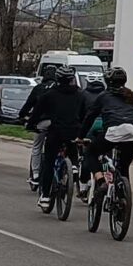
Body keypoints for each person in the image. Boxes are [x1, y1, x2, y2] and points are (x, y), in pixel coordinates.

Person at [21, 62, 85, 199]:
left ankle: (45, 196)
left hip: (55, 131)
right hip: (73, 131)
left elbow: (36, 112)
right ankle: (74, 166)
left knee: (49, 161)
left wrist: (30, 125)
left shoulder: (49, 95)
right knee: (72, 145)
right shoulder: (80, 94)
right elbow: (85, 114)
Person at [84, 66, 133, 199]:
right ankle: (123, 200)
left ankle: (101, 182)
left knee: (91, 152)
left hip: (114, 131)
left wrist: (80, 135)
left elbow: (90, 116)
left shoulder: (103, 96)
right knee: (123, 167)